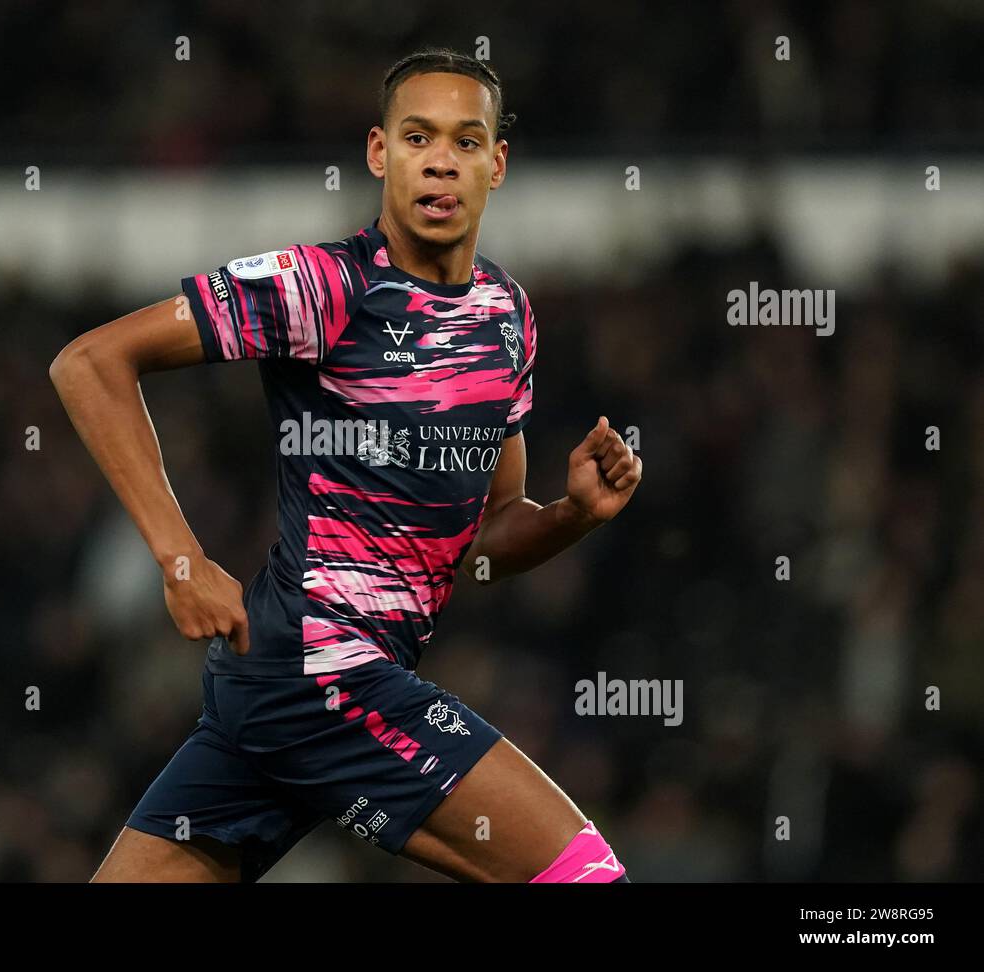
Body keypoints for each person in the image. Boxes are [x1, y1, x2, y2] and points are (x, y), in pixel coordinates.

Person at [51, 47, 642, 883]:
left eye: (466, 141)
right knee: (586, 880)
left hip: (291, 691)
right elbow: (89, 363)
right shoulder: (321, 286)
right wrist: (179, 557)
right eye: (418, 137)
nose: (441, 158)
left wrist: (573, 514)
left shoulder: (507, 317)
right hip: (323, 672)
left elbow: (483, 546)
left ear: (496, 164)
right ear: (379, 153)